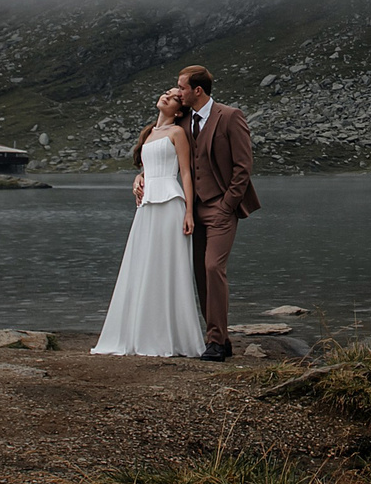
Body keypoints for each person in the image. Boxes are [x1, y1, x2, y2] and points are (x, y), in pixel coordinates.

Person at [93, 88, 205, 356]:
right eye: (167, 92)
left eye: (174, 97)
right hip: (146, 207)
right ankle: (139, 332)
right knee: (141, 265)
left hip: (169, 204)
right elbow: (151, 165)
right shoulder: (150, 133)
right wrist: (139, 177)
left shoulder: (178, 133)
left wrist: (190, 212)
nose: (166, 96)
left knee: (166, 267)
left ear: (179, 111)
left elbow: (186, 173)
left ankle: (168, 337)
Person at [174, 64, 257, 360]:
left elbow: (243, 167)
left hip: (221, 208)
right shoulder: (181, 120)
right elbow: (154, 145)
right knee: (199, 274)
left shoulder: (230, 116)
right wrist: (140, 176)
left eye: (181, 87)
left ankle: (217, 343)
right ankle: (219, 338)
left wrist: (227, 205)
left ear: (198, 90)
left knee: (213, 268)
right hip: (190, 212)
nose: (178, 92)